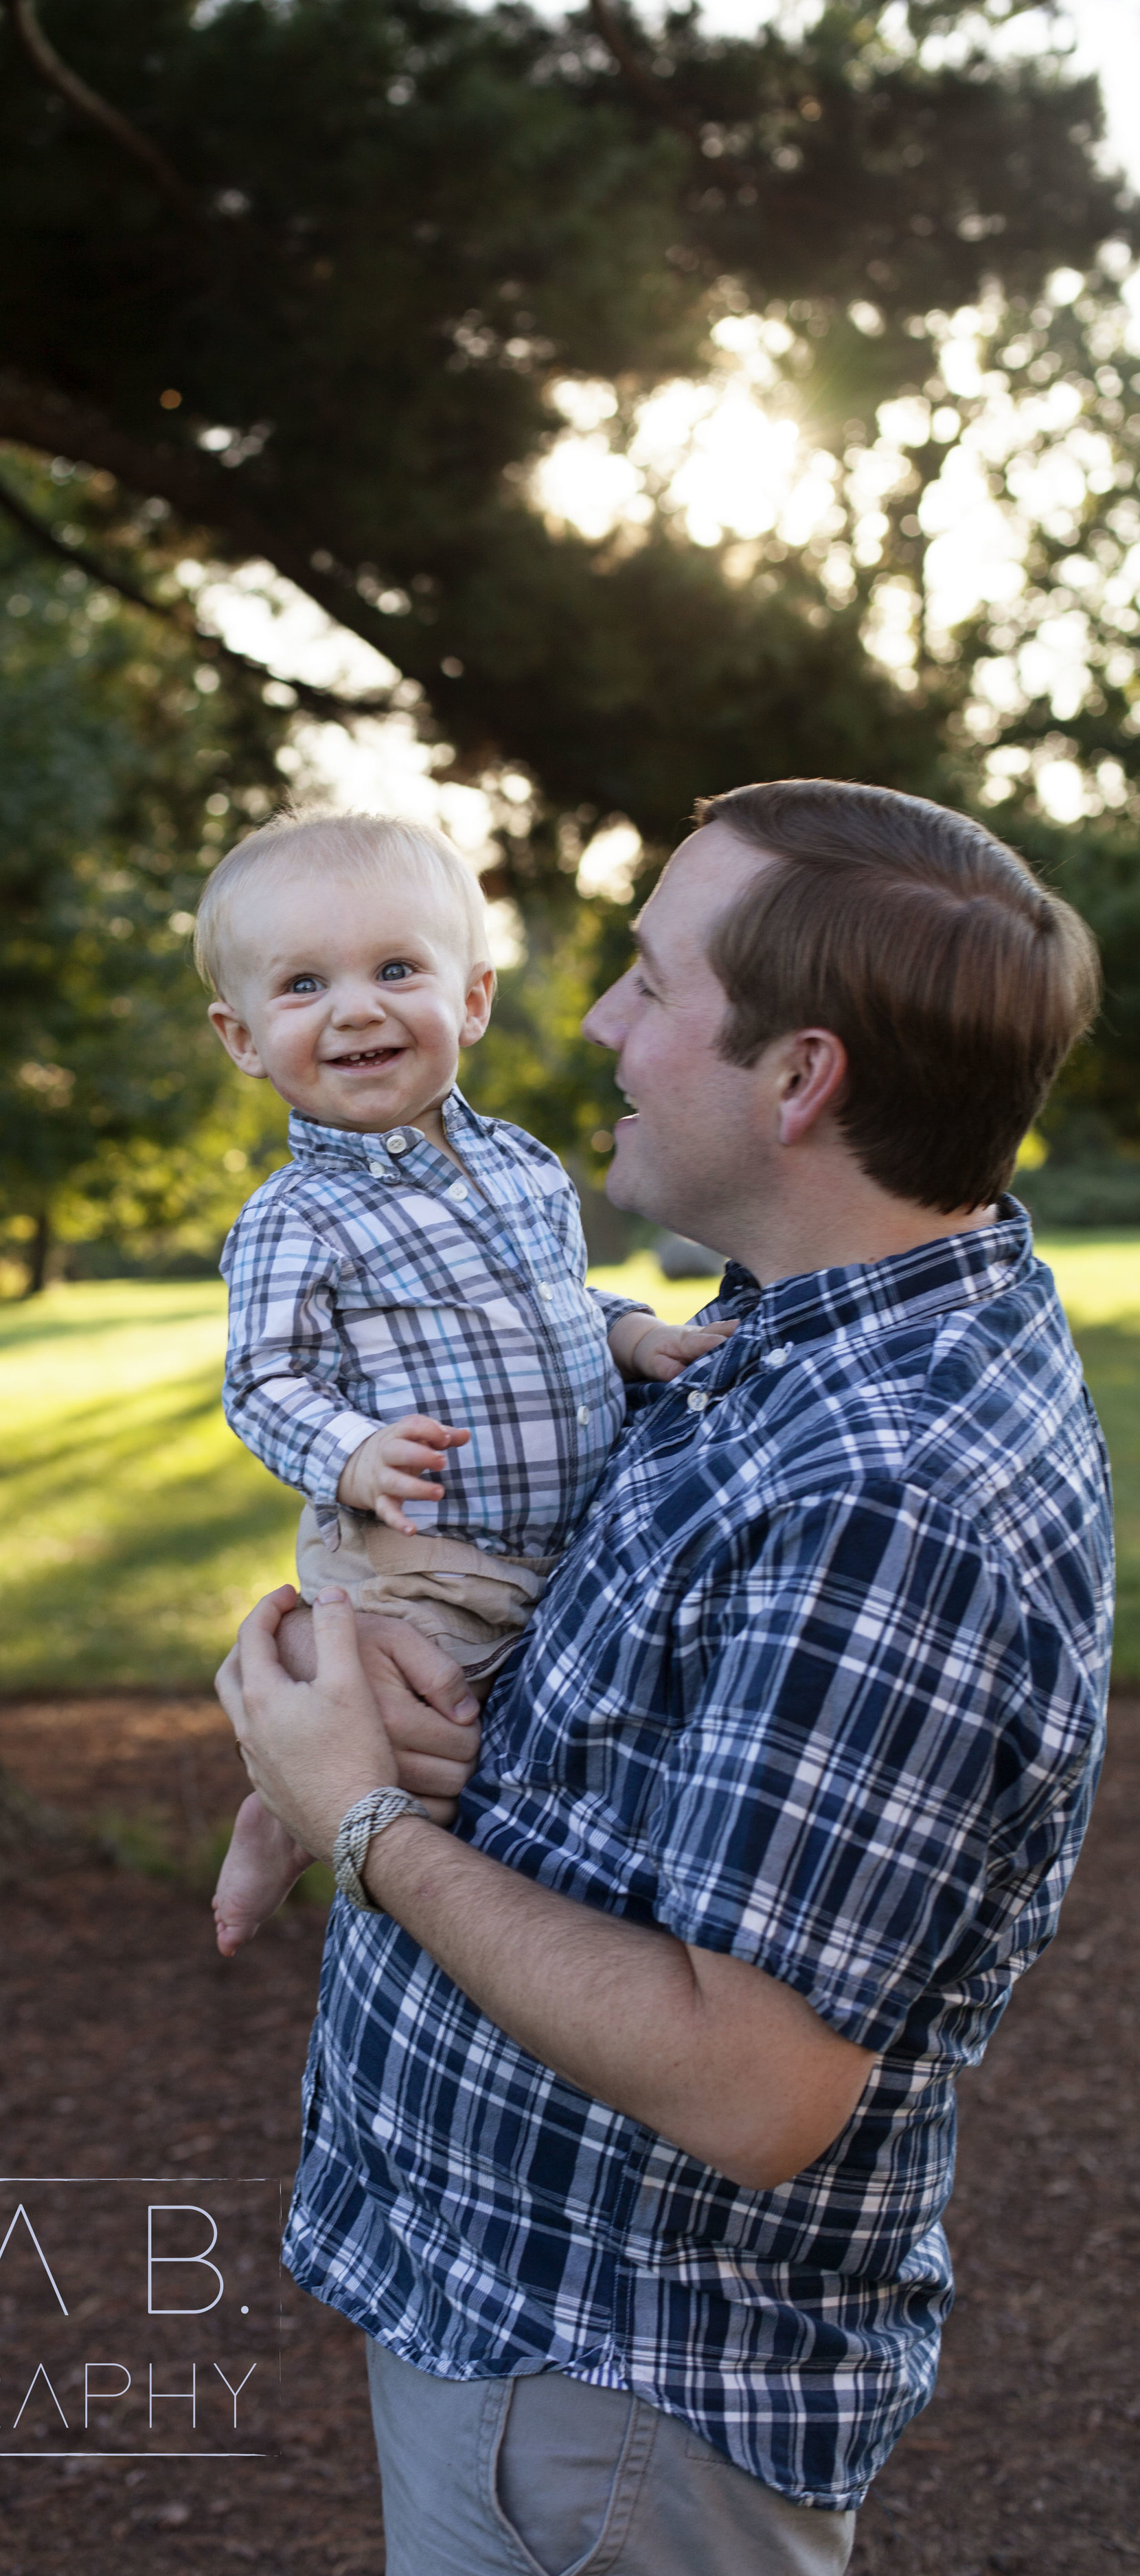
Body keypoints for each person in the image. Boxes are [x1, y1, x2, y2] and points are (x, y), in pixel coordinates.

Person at [215, 780, 1113, 2575]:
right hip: (530, 2325)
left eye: (644, 979)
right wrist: (370, 1658)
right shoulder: (779, 1330)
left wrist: (361, 1818)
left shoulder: (884, 1504)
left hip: (611, 2395)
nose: (597, 1022)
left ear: (796, 1079)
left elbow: (747, 2082)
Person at [196, 813, 729, 1954]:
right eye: (303, 985)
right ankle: (277, 1826)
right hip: (422, 1553)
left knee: (508, 1756)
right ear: (243, 1038)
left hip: (557, 1540)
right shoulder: (298, 1217)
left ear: (473, 1000)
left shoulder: (522, 1166)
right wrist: (350, 1451)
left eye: (397, 968)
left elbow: (551, 1307)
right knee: (398, 1729)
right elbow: (262, 1380)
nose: (356, 1007)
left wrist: (632, 1338)